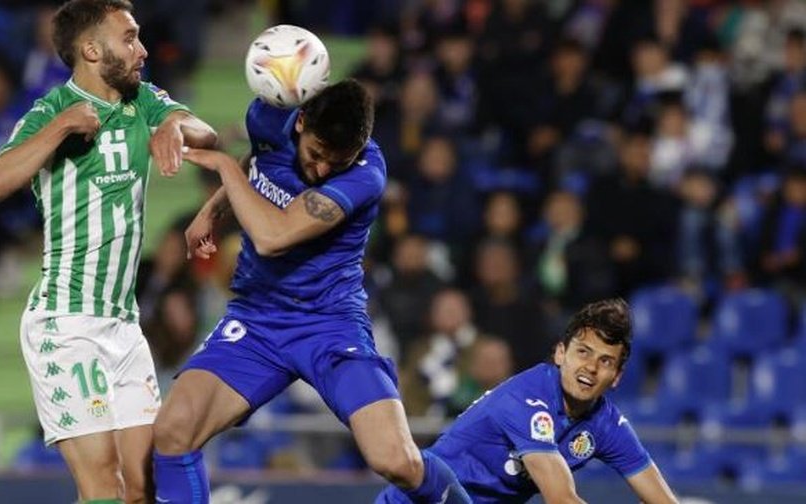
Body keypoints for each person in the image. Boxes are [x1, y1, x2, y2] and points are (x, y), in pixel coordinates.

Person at [151, 79, 471, 504]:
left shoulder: (366, 176)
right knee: (174, 430)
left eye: (336, 163)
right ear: (300, 122)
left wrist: (223, 167)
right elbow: (258, 162)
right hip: (257, 319)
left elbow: (273, 236)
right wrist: (213, 209)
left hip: (330, 325)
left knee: (397, 460)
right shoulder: (267, 117)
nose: (321, 170)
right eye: (316, 154)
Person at [0, 1, 217, 502]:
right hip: (65, 325)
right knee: (103, 480)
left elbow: (207, 134)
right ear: (91, 49)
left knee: (143, 485)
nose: (142, 49)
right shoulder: (49, 111)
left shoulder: (145, 102)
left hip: (124, 326)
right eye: (129, 37)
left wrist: (175, 124)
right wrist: (63, 127)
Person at [377, 298, 679, 504]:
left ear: (616, 377)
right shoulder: (526, 398)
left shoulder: (606, 423)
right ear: (561, 353)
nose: (591, 367)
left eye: (605, 361)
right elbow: (560, 499)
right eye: (583, 352)